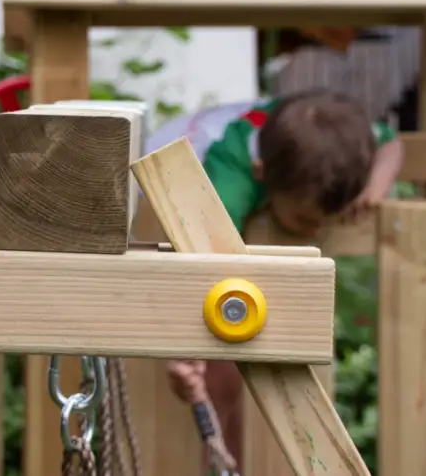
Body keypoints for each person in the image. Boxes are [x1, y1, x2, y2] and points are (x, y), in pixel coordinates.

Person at [159, 89, 404, 470]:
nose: (319, 230)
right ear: (261, 174)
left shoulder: (338, 142)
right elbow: (198, 262)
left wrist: (376, 185)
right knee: (222, 359)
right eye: (306, 222)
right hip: (167, 162)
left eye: (332, 219)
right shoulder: (230, 180)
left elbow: (392, 144)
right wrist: (183, 354)